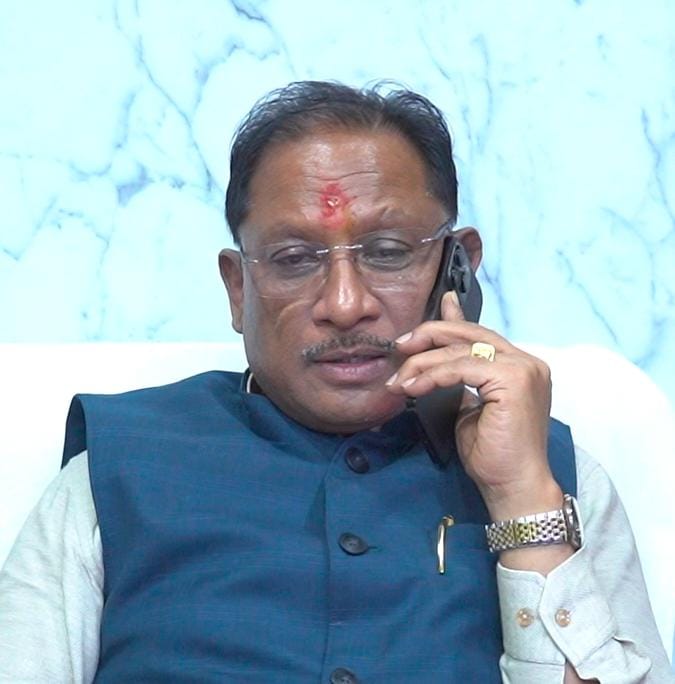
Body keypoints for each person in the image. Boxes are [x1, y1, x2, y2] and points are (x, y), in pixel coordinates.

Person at [0, 81, 672, 683]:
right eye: (294, 259)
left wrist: (523, 503)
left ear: (457, 268)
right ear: (238, 289)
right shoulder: (114, 474)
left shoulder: (553, 477)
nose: (345, 305)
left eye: (388, 253)